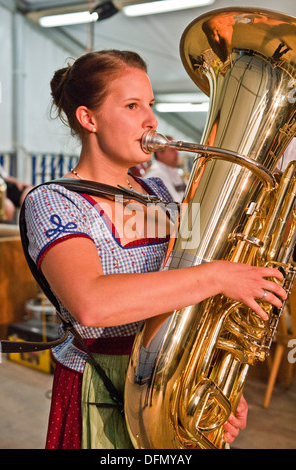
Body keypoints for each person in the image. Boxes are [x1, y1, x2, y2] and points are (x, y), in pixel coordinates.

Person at [24, 49, 287, 450]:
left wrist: (213, 383)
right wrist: (216, 276)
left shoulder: (158, 194)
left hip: (168, 377)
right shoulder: (55, 200)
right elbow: (91, 303)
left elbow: (183, 302)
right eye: (132, 106)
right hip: (97, 389)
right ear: (88, 118)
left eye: (151, 105)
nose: (151, 120)